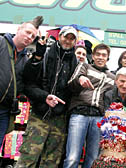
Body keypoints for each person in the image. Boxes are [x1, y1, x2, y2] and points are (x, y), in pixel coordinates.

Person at [15, 26, 78, 167]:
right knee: (28, 158)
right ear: (59, 37)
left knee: (51, 161)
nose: (67, 41)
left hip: (59, 119)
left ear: (74, 42)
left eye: (71, 39)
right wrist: (45, 97)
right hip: (40, 114)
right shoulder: (45, 54)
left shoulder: (76, 62)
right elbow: (28, 84)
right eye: (65, 37)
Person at [63, 43, 115, 168]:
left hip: (99, 118)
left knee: (93, 159)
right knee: (72, 157)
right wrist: (80, 79)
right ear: (93, 56)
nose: (100, 57)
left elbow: (121, 91)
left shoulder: (113, 77)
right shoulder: (84, 66)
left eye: (104, 55)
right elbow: (70, 84)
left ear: (107, 58)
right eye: (98, 54)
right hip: (79, 114)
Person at [0, 16, 43, 148]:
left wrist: (37, 58)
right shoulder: (1, 43)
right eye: (27, 32)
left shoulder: (26, 60)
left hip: (5, 111)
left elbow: (28, 84)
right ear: (19, 29)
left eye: (33, 36)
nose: (29, 37)